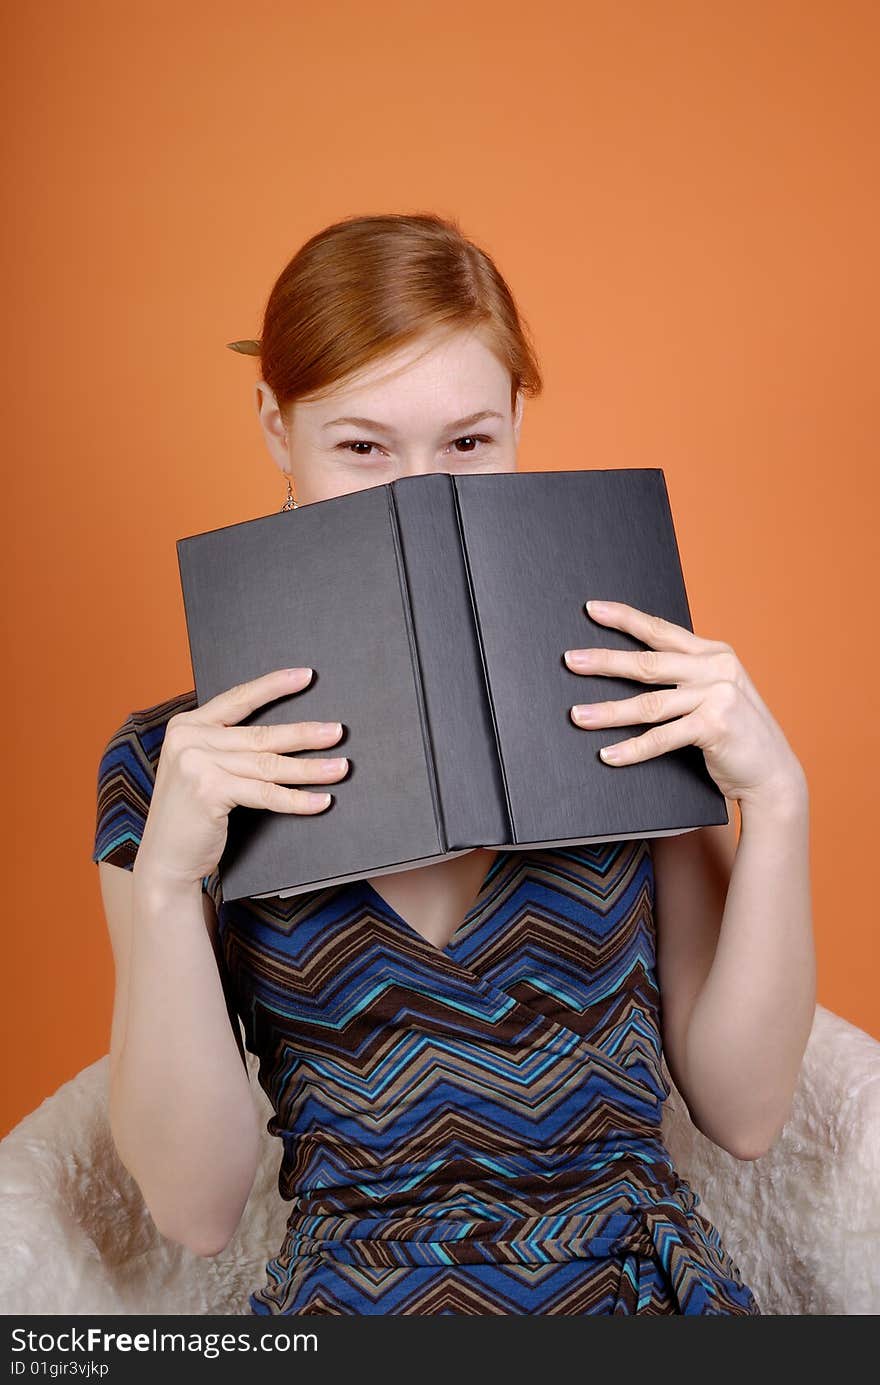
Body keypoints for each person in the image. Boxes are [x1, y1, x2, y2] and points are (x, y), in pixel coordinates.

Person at [91, 212, 813, 1315]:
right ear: (276, 427)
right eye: (363, 445)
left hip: (639, 1294)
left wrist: (775, 804)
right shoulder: (170, 762)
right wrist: (165, 887)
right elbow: (194, 1209)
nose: (417, 493)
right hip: (358, 1306)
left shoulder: (629, 688)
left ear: (519, 420)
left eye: (467, 443)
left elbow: (747, 1111)